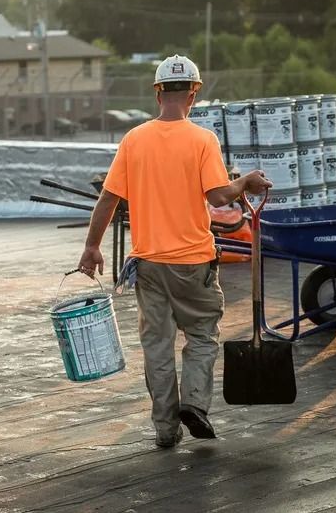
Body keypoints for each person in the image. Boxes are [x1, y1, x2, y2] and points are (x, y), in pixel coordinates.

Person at [77, 55, 272, 448]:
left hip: (148, 263)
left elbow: (108, 199)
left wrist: (92, 246)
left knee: (157, 346)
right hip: (194, 263)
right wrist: (245, 182)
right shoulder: (202, 140)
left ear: (157, 92)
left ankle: (166, 429)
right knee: (201, 335)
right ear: (194, 93)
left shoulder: (134, 139)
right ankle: (195, 404)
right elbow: (219, 195)